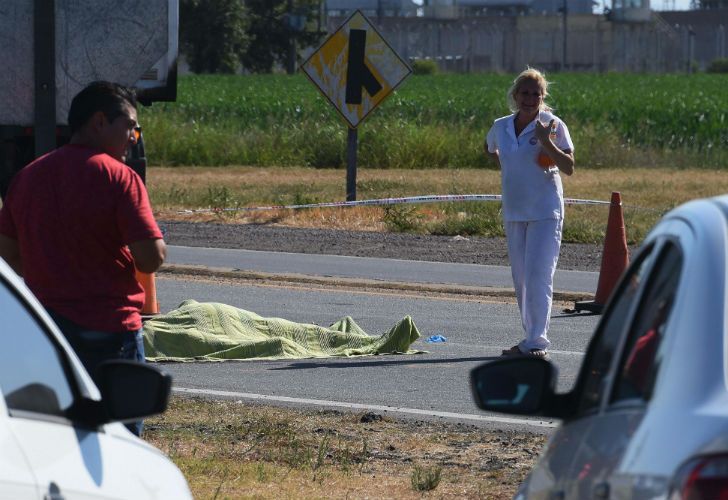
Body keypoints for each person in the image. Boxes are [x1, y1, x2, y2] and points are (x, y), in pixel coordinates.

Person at [0, 81, 165, 435]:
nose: (133, 138)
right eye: (130, 127)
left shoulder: (27, 177)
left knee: (54, 436)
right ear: (100, 122)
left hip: (47, 333)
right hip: (112, 333)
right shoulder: (121, 177)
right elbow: (149, 258)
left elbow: (8, 254)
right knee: (119, 441)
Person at [485, 68, 575, 358]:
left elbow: (569, 165)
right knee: (521, 278)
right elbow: (490, 148)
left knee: (539, 276)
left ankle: (537, 342)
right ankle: (529, 338)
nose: (530, 98)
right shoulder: (501, 126)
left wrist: (546, 142)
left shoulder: (552, 124)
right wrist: (508, 167)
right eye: (525, 93)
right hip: (514, 210)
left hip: (545, 211)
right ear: (515, 96)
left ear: (542, 96)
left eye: (536, 93)